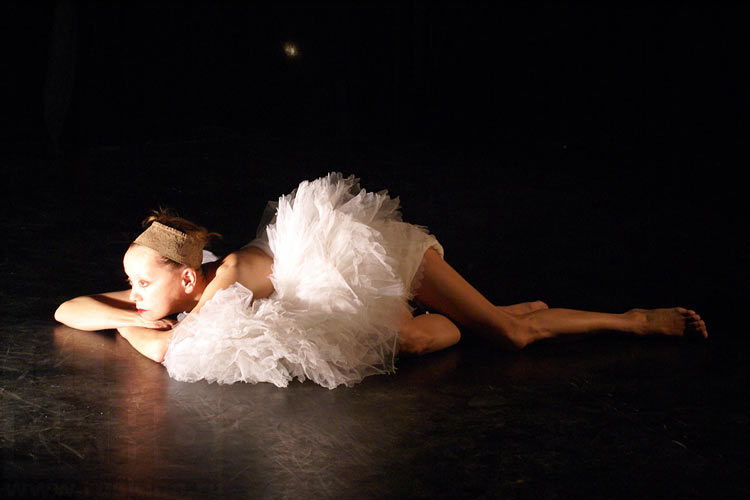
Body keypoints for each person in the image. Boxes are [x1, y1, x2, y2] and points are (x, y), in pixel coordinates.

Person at [54, 173, 707, 389]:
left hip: (373, 258)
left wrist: (136, 323)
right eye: (131, 284)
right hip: (345, 294)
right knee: (418, 340)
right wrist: (129, 312)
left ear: (187, 279)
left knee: (511, 337)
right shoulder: (174, 290)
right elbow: (67, 308)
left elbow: (169, 351)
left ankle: (634, 320)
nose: (132, 292)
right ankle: (492, 310)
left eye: (140, 283)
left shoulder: (221, 279)